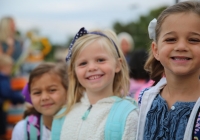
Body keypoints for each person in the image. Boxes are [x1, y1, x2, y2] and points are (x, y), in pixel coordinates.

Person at [51, 27, 138, 140]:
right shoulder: (62, 116)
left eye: (100, 60)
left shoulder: (127, 115)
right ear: (74, 71)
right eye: (83, 63)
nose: (91, 68)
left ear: (117, 65)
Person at [136, 1, 200, 140]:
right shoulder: (145, 99)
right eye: (171, 39)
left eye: (194, 40)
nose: (181, 46)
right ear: (156, 50)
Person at [11, 62, 68, 140]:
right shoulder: (23, 131)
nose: (44, 97)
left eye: (52, 90)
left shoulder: (79, 126)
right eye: (37, 92)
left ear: (68, 92)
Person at [0, 54, 24, 139]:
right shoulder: (2, 78)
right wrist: (21, 98)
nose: (11, 70)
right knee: (2, 129)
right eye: (10, 67)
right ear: (3, 67)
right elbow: (6, 92)